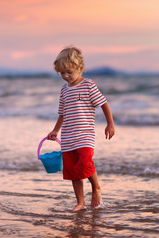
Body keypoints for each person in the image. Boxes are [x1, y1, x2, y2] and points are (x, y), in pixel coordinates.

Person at [47, 46, 115, 211]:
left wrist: (110, 124)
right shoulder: (64, 90)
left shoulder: (88, 85)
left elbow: (104, 104)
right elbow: (62, 113)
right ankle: (80, 201)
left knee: (85, 163)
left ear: (80, 68)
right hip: (69, 136)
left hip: (85, 135)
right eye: (62, 73)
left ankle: (96, 188)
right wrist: (55, 130)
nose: (66, 76)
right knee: (72, 171)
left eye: (69, 72)